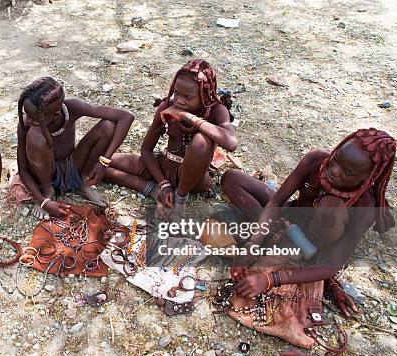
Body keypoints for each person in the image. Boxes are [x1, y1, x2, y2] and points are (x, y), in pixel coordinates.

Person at [221, 128, 395, 317]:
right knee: (232, 179)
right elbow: (276, 201)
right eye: (336, 158)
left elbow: (331, 265)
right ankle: (276, 235)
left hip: (316, 247)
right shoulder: (317, 160)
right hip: (291, 216)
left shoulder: (366, 205)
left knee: (328, 210)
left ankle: (296, 253)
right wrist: (253, 243)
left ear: (369, 178)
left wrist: (270, 279)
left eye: (348, 171)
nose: (334, 171)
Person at [104, 59, 237, 220]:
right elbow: (146, 150)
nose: (180, 100)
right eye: (177, 93)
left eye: (188, 97)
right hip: (164, 167)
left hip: (194, 179)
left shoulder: (216, 110)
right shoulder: (167, 106)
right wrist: (163, 183)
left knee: (201, 141)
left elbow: (231, 142)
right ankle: (153, 190)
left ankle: (180, 200)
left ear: (204, 96)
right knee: (103, 162)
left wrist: (188, 117)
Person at [16, 77, 134, 219]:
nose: (28, 119)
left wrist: (104, 161)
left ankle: (82, 183)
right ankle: (48, 191)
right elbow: (22, 169)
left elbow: (126, 117)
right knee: (36, 135)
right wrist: (43, 202)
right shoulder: (26, 124)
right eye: (27, 114)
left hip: (72, 167)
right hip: (45, 174)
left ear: (56, 115)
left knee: (108, 126)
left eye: (34, 118)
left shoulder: (71, 109)